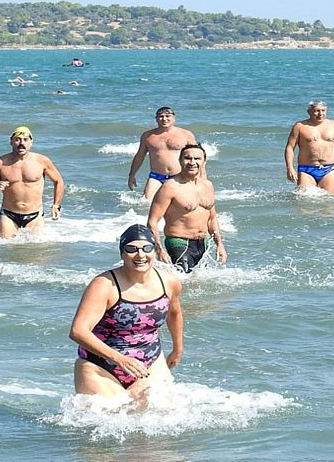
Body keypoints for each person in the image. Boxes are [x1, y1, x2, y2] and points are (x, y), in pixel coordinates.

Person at [70, 224, 183, 398]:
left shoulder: (169, 282)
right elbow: (78, 331)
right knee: (109, 418)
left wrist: (177, 348)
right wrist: (120, 359)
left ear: (154, 251)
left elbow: (174, 313)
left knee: (161, 412)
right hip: (101, 367)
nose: (141, 255)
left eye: (147, 248)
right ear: (122, 253)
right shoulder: (104, 285)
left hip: (150, 362)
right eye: (132, 249)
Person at [147, 144, 227, 273]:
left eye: (197, 158)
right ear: (180, 160)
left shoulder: (208, 186)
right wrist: (159, 250)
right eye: (187, 158)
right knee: (184, 281)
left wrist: (220, 245)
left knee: (198, 283)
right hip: (179, 242)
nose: (192, 162)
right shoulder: (170, 187)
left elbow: (212, 218)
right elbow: (152, 221)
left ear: (204, 162)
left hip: (203, 244)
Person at [0, 126, 64, 238]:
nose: (21, 143)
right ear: (11, 142)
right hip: (8, 214)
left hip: (35, 215)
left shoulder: (42, 161)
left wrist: (56, 205)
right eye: (17, 139)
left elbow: (58, 181)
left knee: (36, 252)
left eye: (25, 140)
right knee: (7, 250)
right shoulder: (0, 163)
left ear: (31, 143)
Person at [285, 100, 334, 194]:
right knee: (305, 202)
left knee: (329, 202)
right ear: (309, 111)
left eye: (323, 110)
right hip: (306, 170)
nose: (320, 113)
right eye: (317, 111)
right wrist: (290, 168)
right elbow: (290, 148)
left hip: (328, 169)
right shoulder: (300, 126)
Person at [128, 106, 198, 201]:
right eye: (161, 116)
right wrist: (132, 175)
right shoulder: (148, 136)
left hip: (179, 175)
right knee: (147, 202)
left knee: (183, 203)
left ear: (173, 117)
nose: (164, 119)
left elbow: (196, 156)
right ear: (156, 119)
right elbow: (140, 156)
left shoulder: (186, 134)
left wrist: (200, 177)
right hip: (156, 176)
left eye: (167, 116)